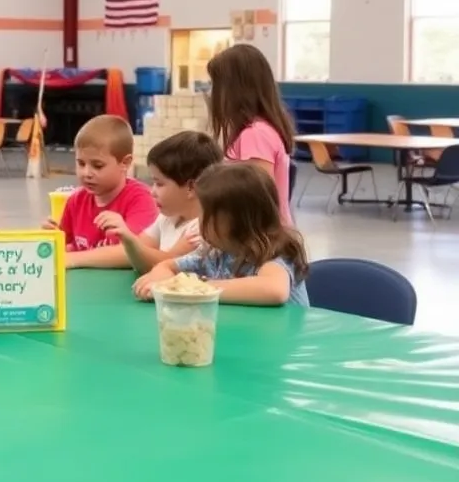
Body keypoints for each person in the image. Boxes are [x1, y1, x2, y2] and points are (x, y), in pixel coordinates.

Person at [133, 162, 310, 306]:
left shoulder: (275, 252)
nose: (198, 221)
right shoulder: (217, 253)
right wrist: (161, 280)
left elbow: (274, 290)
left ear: (236, 220)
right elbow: (168, 266)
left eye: (203, 214)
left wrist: (195, 289)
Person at [99, 130, 224, 273]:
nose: (152, 192)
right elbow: (141, 258)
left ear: (191, 187)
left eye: (159, 184)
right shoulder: (168, 217)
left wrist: (129, 239)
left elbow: (163, 264)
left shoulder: (203, 229)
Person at [45, 114, 158, 269]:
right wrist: (49, 239)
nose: (87, 173)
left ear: (125, 163)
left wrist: (72, 259)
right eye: (81, 163)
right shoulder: (75, 201)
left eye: (97, 166)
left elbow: (135, 253)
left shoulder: (141, 200)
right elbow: (66, 247)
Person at [207, 43, 295, 225]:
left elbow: (256, 201)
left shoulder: (255, 135)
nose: (211, 92)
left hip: (262, 243)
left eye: (215, 85)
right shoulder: (258, 130)